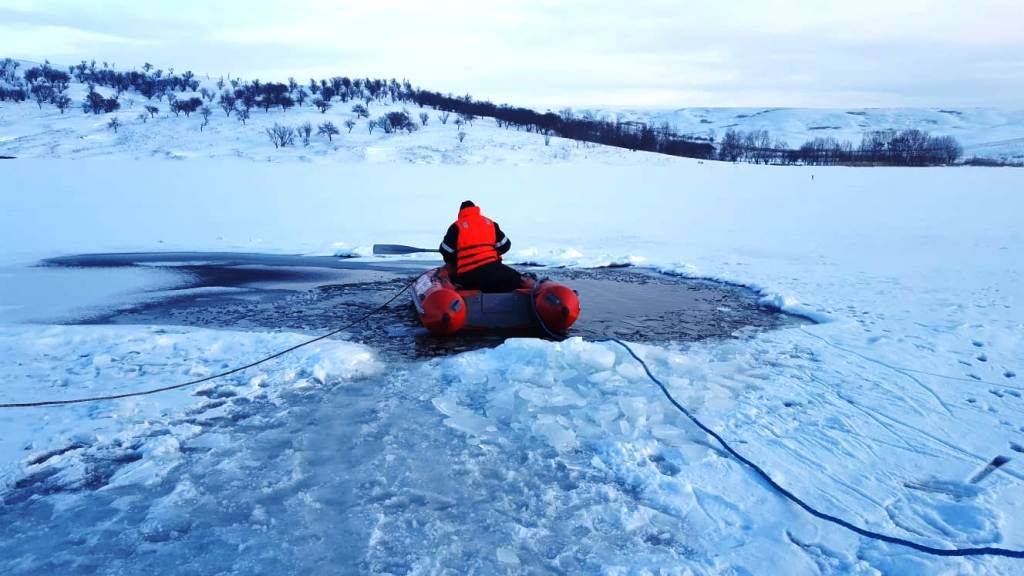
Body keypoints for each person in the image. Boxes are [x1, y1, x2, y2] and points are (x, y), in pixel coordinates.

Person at [439, 200, 522, 292]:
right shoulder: (490, 223)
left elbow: (445, 250)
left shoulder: (456, 226)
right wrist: (493, 252)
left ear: (460, 212)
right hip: (495, 270)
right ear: (476, 209)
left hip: (468, 276)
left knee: (458, 282)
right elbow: (505, 245)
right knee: (517, 279)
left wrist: (457, 259)